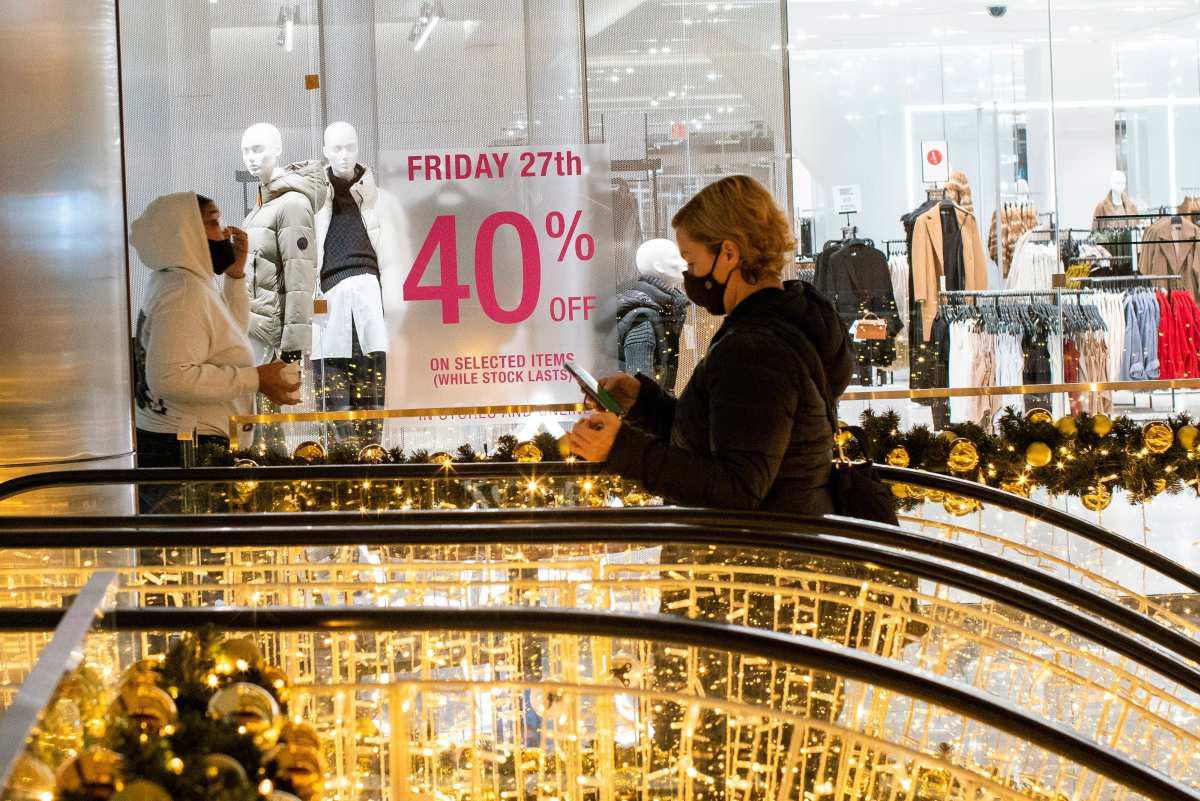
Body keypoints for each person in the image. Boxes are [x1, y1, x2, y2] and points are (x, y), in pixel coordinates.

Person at [567, 175, 853, 514]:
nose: (689, 276)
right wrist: (643, 402)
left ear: (729, 252)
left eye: (692, 262)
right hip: (781, 542)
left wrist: (622, 447)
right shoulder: (781, 325)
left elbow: (736, 488)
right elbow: (729, 433)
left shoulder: (754, 350)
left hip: (758, 552)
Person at [131, 192, 301, 503]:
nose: (224, 232)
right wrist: (257, 378)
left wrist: (235, 276)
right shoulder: (183, 294)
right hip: (185, 452)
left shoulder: (184, 282)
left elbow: (226, 338)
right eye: (213, 222)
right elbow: (170, 377)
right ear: (186, 234)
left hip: (187, 444)